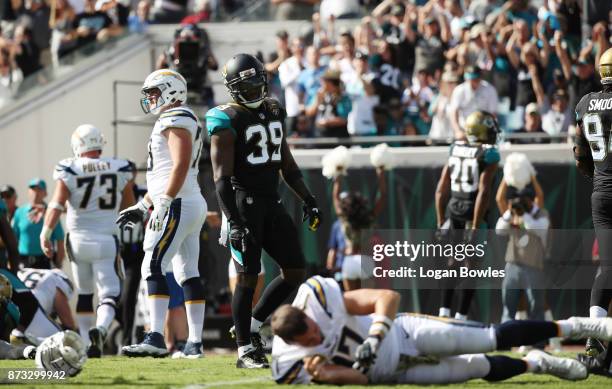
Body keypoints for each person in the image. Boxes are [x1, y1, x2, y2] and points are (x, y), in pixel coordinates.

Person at [271, 276, 612, 385]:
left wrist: (374, 337)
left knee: (492, 337)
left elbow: (386, 296)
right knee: (477, 367)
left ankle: (579, 326)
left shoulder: (319, 299)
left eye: (314, 330)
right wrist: (331, 374)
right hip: (395, 373)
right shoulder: (290, 362)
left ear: (308, 316)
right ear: (292, 343)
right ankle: (537, 364)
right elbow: (362, 381)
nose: (316, 338)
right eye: (309, 340)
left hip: (403, 333)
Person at [206, 53, 321, 368]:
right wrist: (233, 220)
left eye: (259, 81)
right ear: (234, 88)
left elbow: (286, 161)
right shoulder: (225, 119)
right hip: (244, 205)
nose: (257, 88)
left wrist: (308, 198)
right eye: (250, 83)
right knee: (247, 277)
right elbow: (221, 178)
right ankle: (245, 350)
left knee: (295, 269)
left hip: (272, 201)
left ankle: (252, 325)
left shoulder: (273, 109)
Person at [117, 69, 207, 359]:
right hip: (188, 200)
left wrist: (165, 200)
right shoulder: (181, 116)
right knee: (187, 272)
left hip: (178, 202)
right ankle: (194, 343)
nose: (151, 99)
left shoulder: (175, 117)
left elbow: (179, 164)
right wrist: (143, 205)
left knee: (152, 265)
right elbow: (165, 172)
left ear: (171, 90)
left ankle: (155, 336)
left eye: (155, 92)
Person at [40, 124, 134, 358]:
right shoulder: (120, 166)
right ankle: (100, 330)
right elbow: (128, 207)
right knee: (110, 294)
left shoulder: (70, 167)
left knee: (84, 292)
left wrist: (46, 232)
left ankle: (83, 340)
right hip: (106, 240)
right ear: (99, 143)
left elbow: (57, 203)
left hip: (78, 240)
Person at [435, 111, 500, 320]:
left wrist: (440, 220)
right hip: (474, 212)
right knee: (472, 267)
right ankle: (461, 317)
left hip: (454, 210)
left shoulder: (455, 148)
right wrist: (475, 225)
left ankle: (443, 311)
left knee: (453, 262)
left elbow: (440, 189)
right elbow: (484, 191)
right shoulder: (488, 154)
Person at [573, 47, 612, 357]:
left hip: (600, 193)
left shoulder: (586, 103)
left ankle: (595, 336)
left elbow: (579, 154)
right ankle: (596, 336)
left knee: (608, 266)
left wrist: (599, 176)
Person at [12, 178, 64, 269]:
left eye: (39, 189)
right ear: (28, 191)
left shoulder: (51, 213)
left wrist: (58, 263)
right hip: (23, 261)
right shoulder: (19, 212)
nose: (35, 192)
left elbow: (60, 239)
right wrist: (12, 260)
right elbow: (13, 238)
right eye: (33, 189)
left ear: (45, 193)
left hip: (44, 261)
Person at [449, 66, 498, 140]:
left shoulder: (490, 90)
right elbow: (453, 112)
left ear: (480, 78)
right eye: (470, 80)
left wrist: (489, 131)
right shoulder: (459, 90)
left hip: (484, 130)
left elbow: (493, 114)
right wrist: (457, 131)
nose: (472, 82)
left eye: (475, 79)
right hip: (464, 130)